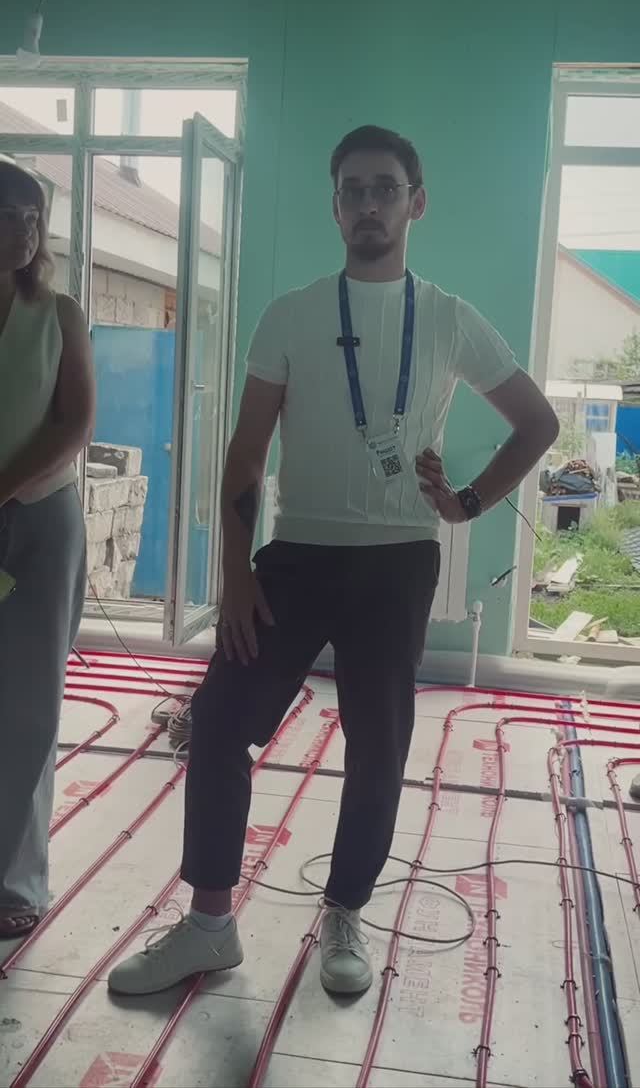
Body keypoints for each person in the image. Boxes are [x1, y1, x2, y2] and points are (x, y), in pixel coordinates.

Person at [109, 126, 558, 997]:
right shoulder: (293, 314)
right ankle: (209, 926)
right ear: (335, 206)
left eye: (385, 188)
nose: (368, 204)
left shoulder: (449, 318)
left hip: (397, 561)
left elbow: (536, 423)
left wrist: (466, 503)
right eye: (353, 189)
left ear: (416, 203)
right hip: (297, 554)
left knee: (378, 748)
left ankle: (345, 912)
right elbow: (246, 455)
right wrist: (236, 573)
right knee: (219, 722)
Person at [0, 160, 95, 939]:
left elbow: (75, 423)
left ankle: (15, 883)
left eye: (35, 216)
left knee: (28, 706)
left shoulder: (58, 313)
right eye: (10, 212)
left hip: (39, 522)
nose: (26, 229)